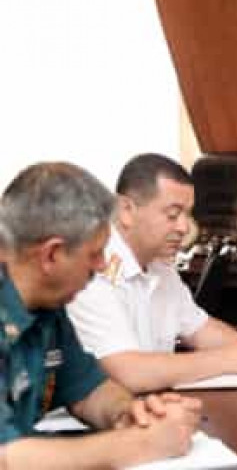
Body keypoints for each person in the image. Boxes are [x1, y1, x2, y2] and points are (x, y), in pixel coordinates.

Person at [0, 162, 200, 468]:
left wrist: (129, 413)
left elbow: (89, 391)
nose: (102, 266)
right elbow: (6, 458)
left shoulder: (48, 306)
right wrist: (141, 444)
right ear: (51, 254)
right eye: (94, 255)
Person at [67, 154, 237, 393]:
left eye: (187, 215)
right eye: (172, 215)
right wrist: (228, 359)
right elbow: (127, 372)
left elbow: (200, 329)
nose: (183, 227)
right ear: (126, 210)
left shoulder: (160, 266)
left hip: (153, 405)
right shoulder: (91, 270)